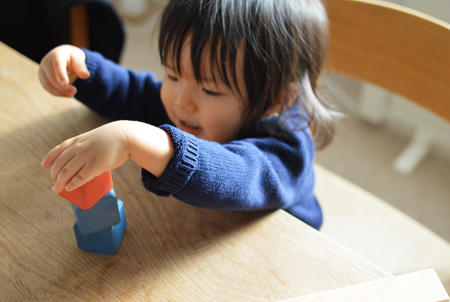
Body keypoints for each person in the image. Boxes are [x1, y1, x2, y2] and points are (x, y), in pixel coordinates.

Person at [39, 0, 336, 230]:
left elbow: (235, 175)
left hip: (283, 252)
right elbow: (136, 94)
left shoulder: (288, 150)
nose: (182, 101)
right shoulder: (190, 105)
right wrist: (84, 69)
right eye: (173, 74)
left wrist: (133, 139)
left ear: (277, 99)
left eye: (209, 90)